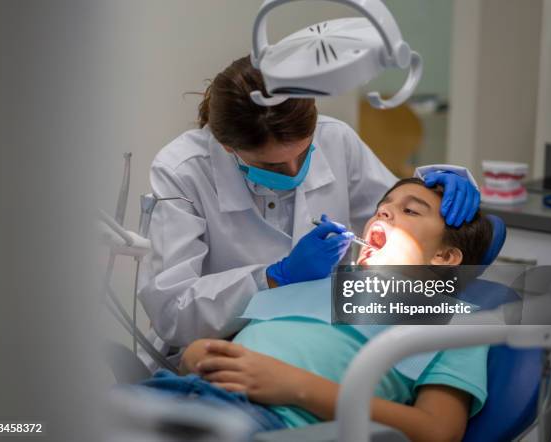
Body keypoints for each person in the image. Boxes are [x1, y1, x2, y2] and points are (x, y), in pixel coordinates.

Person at [138, 55, 481, 368]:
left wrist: (449, 201)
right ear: (228, 146)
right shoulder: (182, 170)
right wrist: (274, 278)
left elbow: (406, 214)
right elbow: (172, 314)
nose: (293, 172)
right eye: (272, 164)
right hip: (217, 348)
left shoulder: (336, 140)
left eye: (304, 154)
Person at [141, 178, 493, 441]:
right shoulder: (316, 281)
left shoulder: (453, 319)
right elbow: (231, 344)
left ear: (445, 258)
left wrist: (295, 386)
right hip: (175, 392)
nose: (383, 211)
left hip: (263, 424)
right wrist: (200, 353)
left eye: (410, 210)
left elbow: (438, 431)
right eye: (383, 206)